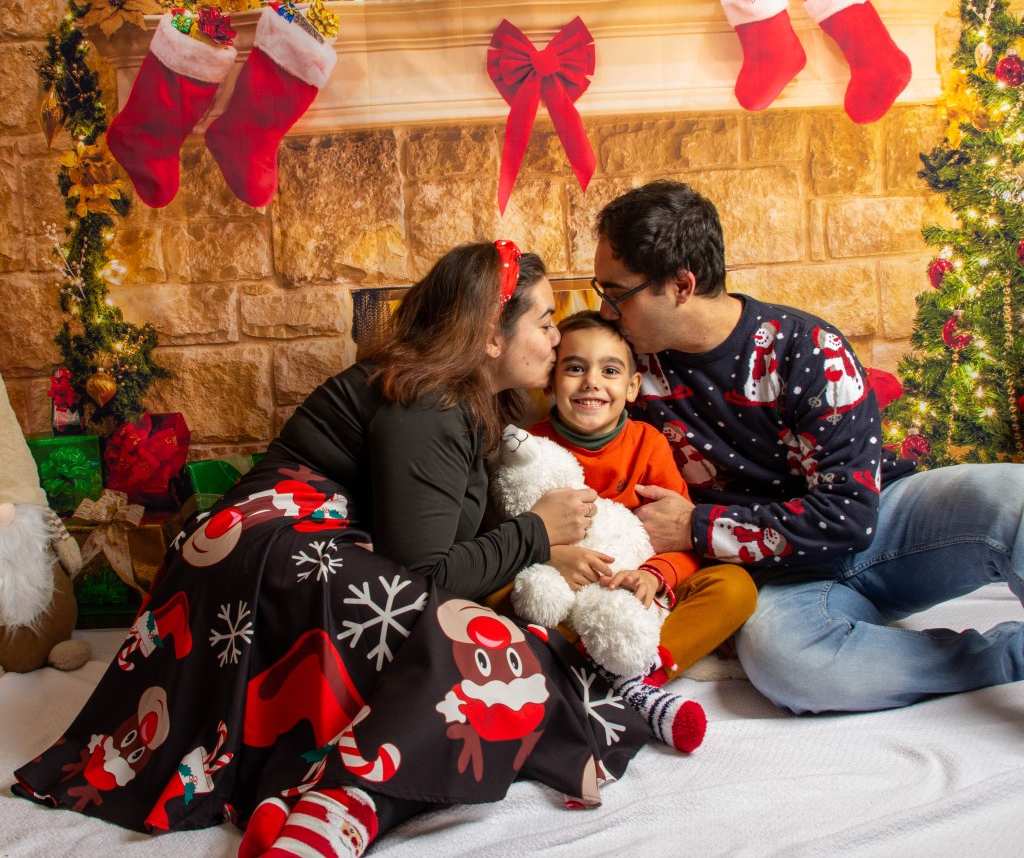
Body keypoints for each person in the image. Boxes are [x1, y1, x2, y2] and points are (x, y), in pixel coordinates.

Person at [13, 241, 652, 857]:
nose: (555, 338)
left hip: (275, 545)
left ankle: (341, 791)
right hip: (268, 550)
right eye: (544, 321)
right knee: (470, 644)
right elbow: (428, 574)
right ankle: (345, 797)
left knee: (458, 639)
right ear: (491, 334)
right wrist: (534, 530)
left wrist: (536, 548)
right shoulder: (427, 401)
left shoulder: (463, 400)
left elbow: (449, 536)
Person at [590, 179, 1024, 715]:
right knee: (791, 666)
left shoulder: (809, 349)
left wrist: (698, 527)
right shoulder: (621, 368)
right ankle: (1006, 657)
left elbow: (849, 516)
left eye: (617, 294)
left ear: (681, 285)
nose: (605, 311)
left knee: (1013, 497)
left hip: (882, 526)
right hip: (777, 578)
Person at [528, 310, 757, 687]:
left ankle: (644, 674)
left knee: (735, 586)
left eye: (610, 371)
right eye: (574, 368)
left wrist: (653, 575)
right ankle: (573, 668)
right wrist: (550, 556)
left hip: (639, 589)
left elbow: (684, 541)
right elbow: (509, 531)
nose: (591, 382)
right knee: (499, 591)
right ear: (550, 381)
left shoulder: (648, 444)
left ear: (633, 386)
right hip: (569, 593)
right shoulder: (529, 446)